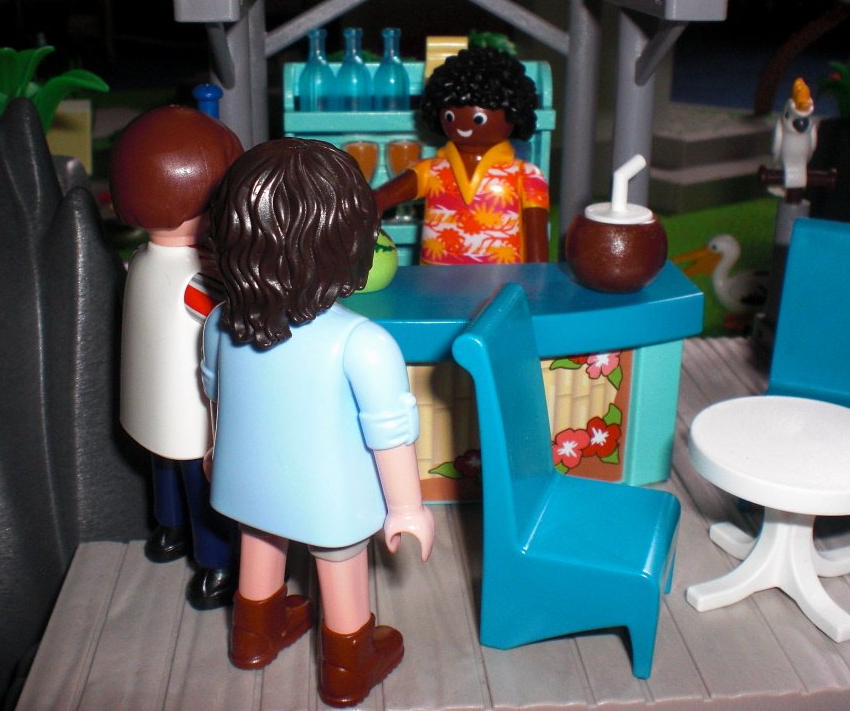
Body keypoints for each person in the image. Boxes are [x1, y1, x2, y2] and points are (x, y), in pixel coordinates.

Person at [201, 137, 435, 708]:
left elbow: (215, 396)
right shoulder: (364, 343)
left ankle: (253, 635)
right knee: (338, 562)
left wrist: (215, 451)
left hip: (247, 481)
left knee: (260, 537)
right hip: (329, 497)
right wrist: (407, 508)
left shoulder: (220, 321)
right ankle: (349, 664)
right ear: (350, 243)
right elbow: (391, 434)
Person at [110, 105, 243, 610]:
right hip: (190, 413)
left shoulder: (140, 260)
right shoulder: (196, 279)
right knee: (203, 487)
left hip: (147, 404)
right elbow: (233, 317)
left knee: (163, 471)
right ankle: (217, 565)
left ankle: (168, 532)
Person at [373, 46, 550, 264]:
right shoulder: (431, 171)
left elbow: (536, 239)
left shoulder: (527, 175)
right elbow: (380, 199)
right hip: (435, 276)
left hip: (502, 276)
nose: (463, 126)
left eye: (478, 119)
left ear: (515, 113)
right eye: (449, 116)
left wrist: (537, 275)